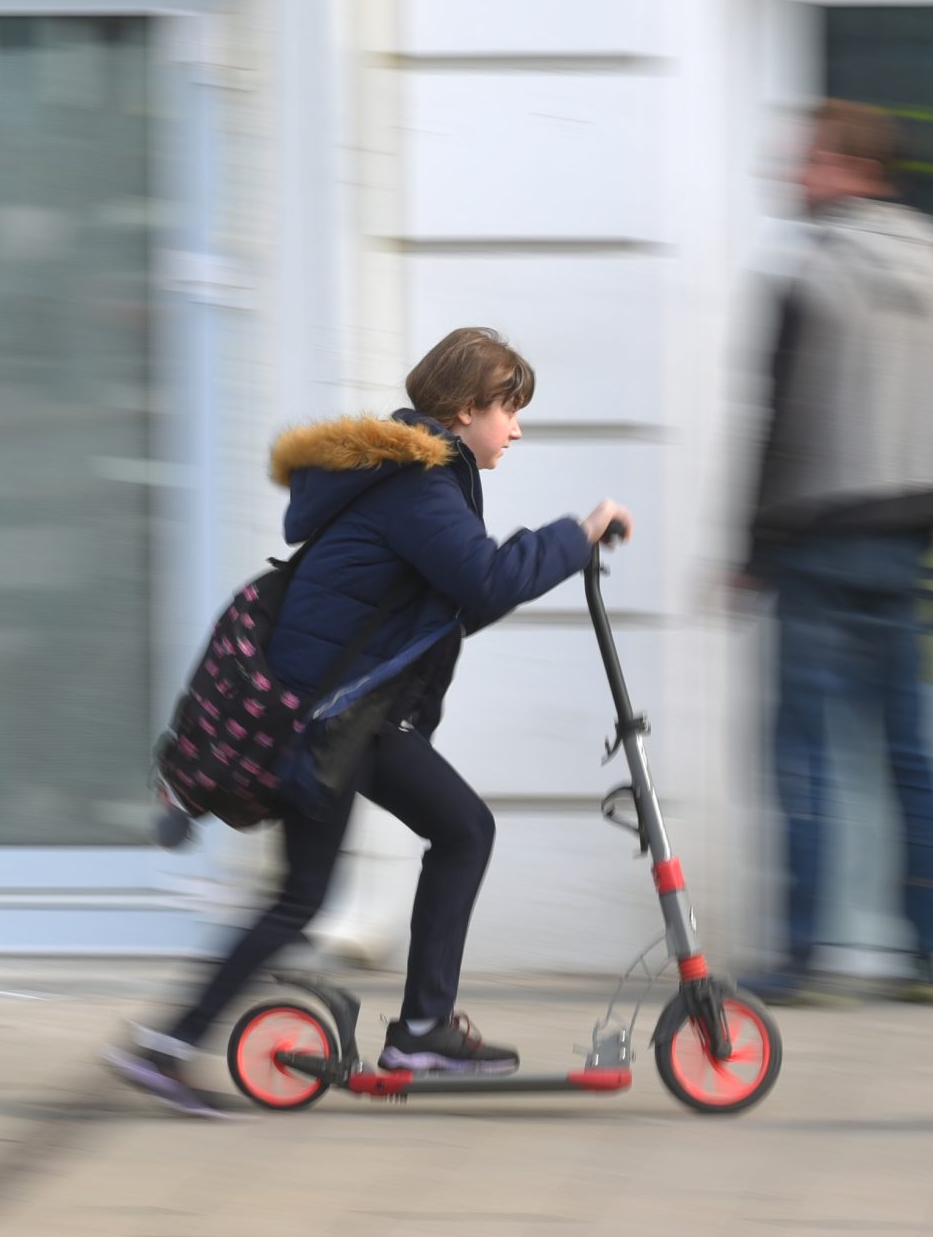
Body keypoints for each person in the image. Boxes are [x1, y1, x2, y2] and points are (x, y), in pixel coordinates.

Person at [110, 328, 632, 1117]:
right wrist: (574, 534)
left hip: (353, 716)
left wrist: (548, 551)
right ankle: (175, 1045)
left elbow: (443, 608)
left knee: (441, 839)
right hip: (328, 722)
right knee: (319, 891)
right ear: (464, 411)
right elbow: (484, 585)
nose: (515, 430)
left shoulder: (412, 477)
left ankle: (417, 1027)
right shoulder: (419, 485)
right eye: (508, 411)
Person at [742, 99, 933, 1008]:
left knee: (806, 756)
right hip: (915, 537)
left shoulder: (806, 267)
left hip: (820, 541)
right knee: (914, 752)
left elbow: (778, 421)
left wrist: (749, 548)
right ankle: (932, 958)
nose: (792, 175)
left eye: (808, 160)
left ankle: (803, 957)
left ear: (852, 168)